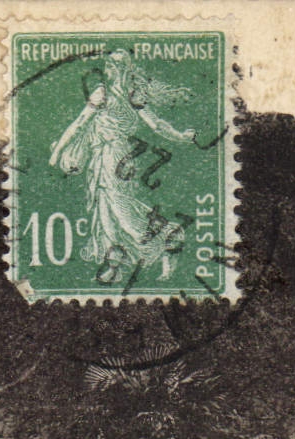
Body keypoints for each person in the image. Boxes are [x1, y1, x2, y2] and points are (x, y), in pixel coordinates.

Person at [49, 49, 195, 284]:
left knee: (121, 209)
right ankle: (116, 266)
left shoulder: (110, 94)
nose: (106, 70)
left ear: (117, 69)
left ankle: (169, 236)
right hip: (111, 157)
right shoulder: (125, 94)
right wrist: (181, 136)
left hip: (113, 157)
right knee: (105, 209)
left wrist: (57, 152)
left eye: (110, 66)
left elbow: (80, 123)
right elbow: (156, 125)